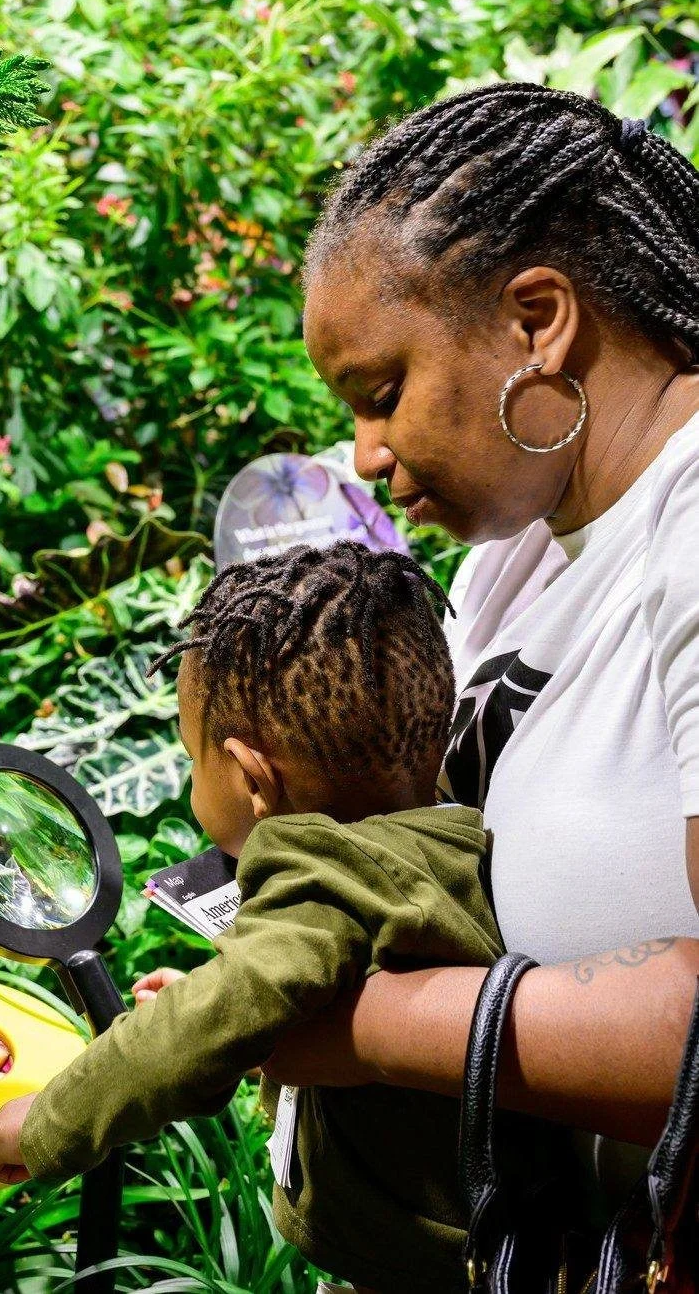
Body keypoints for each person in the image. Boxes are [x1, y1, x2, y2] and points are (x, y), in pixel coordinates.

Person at [254, 82, 699, 1213]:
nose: (365, 454)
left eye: (384, 390)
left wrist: (356, 1028)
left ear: (537, 320)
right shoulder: (514, 561)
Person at [0, 540, 506, 1294]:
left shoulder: (326, 878)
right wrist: (235, 1003)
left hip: (408, 1269)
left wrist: (42, 1126)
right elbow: (299, 987)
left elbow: (207, 1022)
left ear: (253, 779)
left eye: (193, 757)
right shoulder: (447, 840)